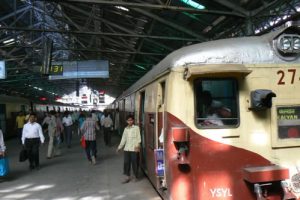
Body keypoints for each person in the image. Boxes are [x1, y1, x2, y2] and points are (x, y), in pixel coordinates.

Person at [116, 114, 141, 183]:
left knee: (135, 162)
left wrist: (138, 146)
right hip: (127, 149)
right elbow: (123, 139)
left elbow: (138, 138)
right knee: (126, 162)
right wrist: (119, 147)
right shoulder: (125, 129)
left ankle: (136, 176)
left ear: (133, 121)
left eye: (131, 120)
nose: (130, 121)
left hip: (134, 149)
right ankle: (127, 177)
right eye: (128, 120)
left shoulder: (136, 128)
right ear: (127, 121)